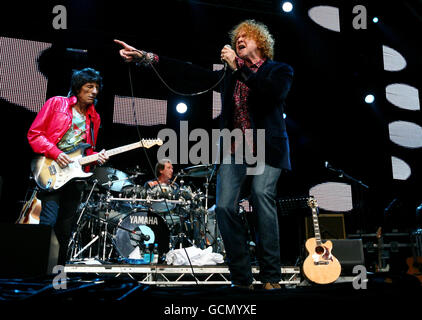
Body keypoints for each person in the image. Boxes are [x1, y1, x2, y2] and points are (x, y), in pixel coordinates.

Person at [115, 19, 293, 290]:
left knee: (260, 195)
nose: (239, 40)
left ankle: (271, 277)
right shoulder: (230, 74)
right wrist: (146, 57)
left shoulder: (279, 70)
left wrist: (238, 69)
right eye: (237, 37)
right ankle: (242, 278)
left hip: (268, 148)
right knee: (223, 207)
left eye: (246, 36)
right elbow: (189, 72)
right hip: (235, 150)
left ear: (261, 41)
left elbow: (270, 95)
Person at [27, 68, 109, 265]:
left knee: (65, 229)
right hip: (52, 171)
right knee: (49, 222)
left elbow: (86, 151)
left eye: (97, 87)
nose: (94, 91)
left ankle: (58, 274)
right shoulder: (57, 103)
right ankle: (39, 270)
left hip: (75, 177)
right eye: (89, 87)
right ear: (78, 88)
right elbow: (34, 134)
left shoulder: (94, 117)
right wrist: (56, 153)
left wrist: (96, 158)